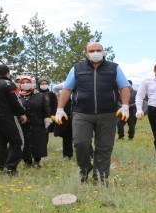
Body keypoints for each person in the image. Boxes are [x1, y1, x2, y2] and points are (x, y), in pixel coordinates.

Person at [54, 42, 131, 184]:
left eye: (98, 50)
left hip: (108, 114)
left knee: (104, 146)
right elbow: (67, 89)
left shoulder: (114, 68)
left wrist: (125, 106)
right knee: (80, 143)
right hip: (82, 113)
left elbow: (125, 87)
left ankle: (100, 178)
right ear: (86, 53)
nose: (95, 52)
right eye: (92, 50)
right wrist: (59, 109)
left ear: (103, 51)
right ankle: (84, 168)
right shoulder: (77, 68)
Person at [18, 76, 51, 168]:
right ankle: (27, 161)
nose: (25, 84)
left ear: (31, 83)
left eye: (27, 82)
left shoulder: (39, 95)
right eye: (23, 82)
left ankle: (37, 160)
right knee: (25, 141)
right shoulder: (18, 96)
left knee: (38, 142)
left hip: (37, 123)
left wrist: (47, 119)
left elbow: (46, 108)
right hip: (23, 125)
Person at [37, 78, 58, 142]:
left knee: (46, 132)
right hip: (38, 117)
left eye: (45, 84)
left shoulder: (51, 94)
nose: (44, 85)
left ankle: (44, 147)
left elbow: (55, 106)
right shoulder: (36, 94)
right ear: (39, 85)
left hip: (48, 117)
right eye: (42, 84)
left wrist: (53, 115)